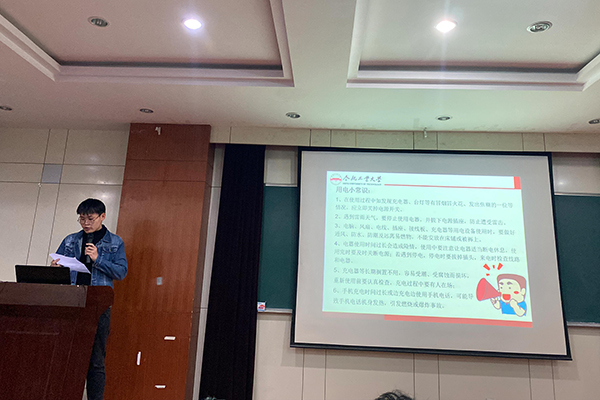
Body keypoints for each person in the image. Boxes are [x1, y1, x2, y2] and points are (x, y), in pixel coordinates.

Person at [51, 198, 127, 400]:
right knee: (67, 356)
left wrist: (97, 259)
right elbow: (58, 268)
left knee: (96, 359)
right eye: (82, 219)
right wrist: (56, 268)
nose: (85, 223)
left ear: (102, 216)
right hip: (72, 302)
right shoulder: (70, 240)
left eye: (90, 218)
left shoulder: (115, 242)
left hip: (98, 305)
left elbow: (121, 272)